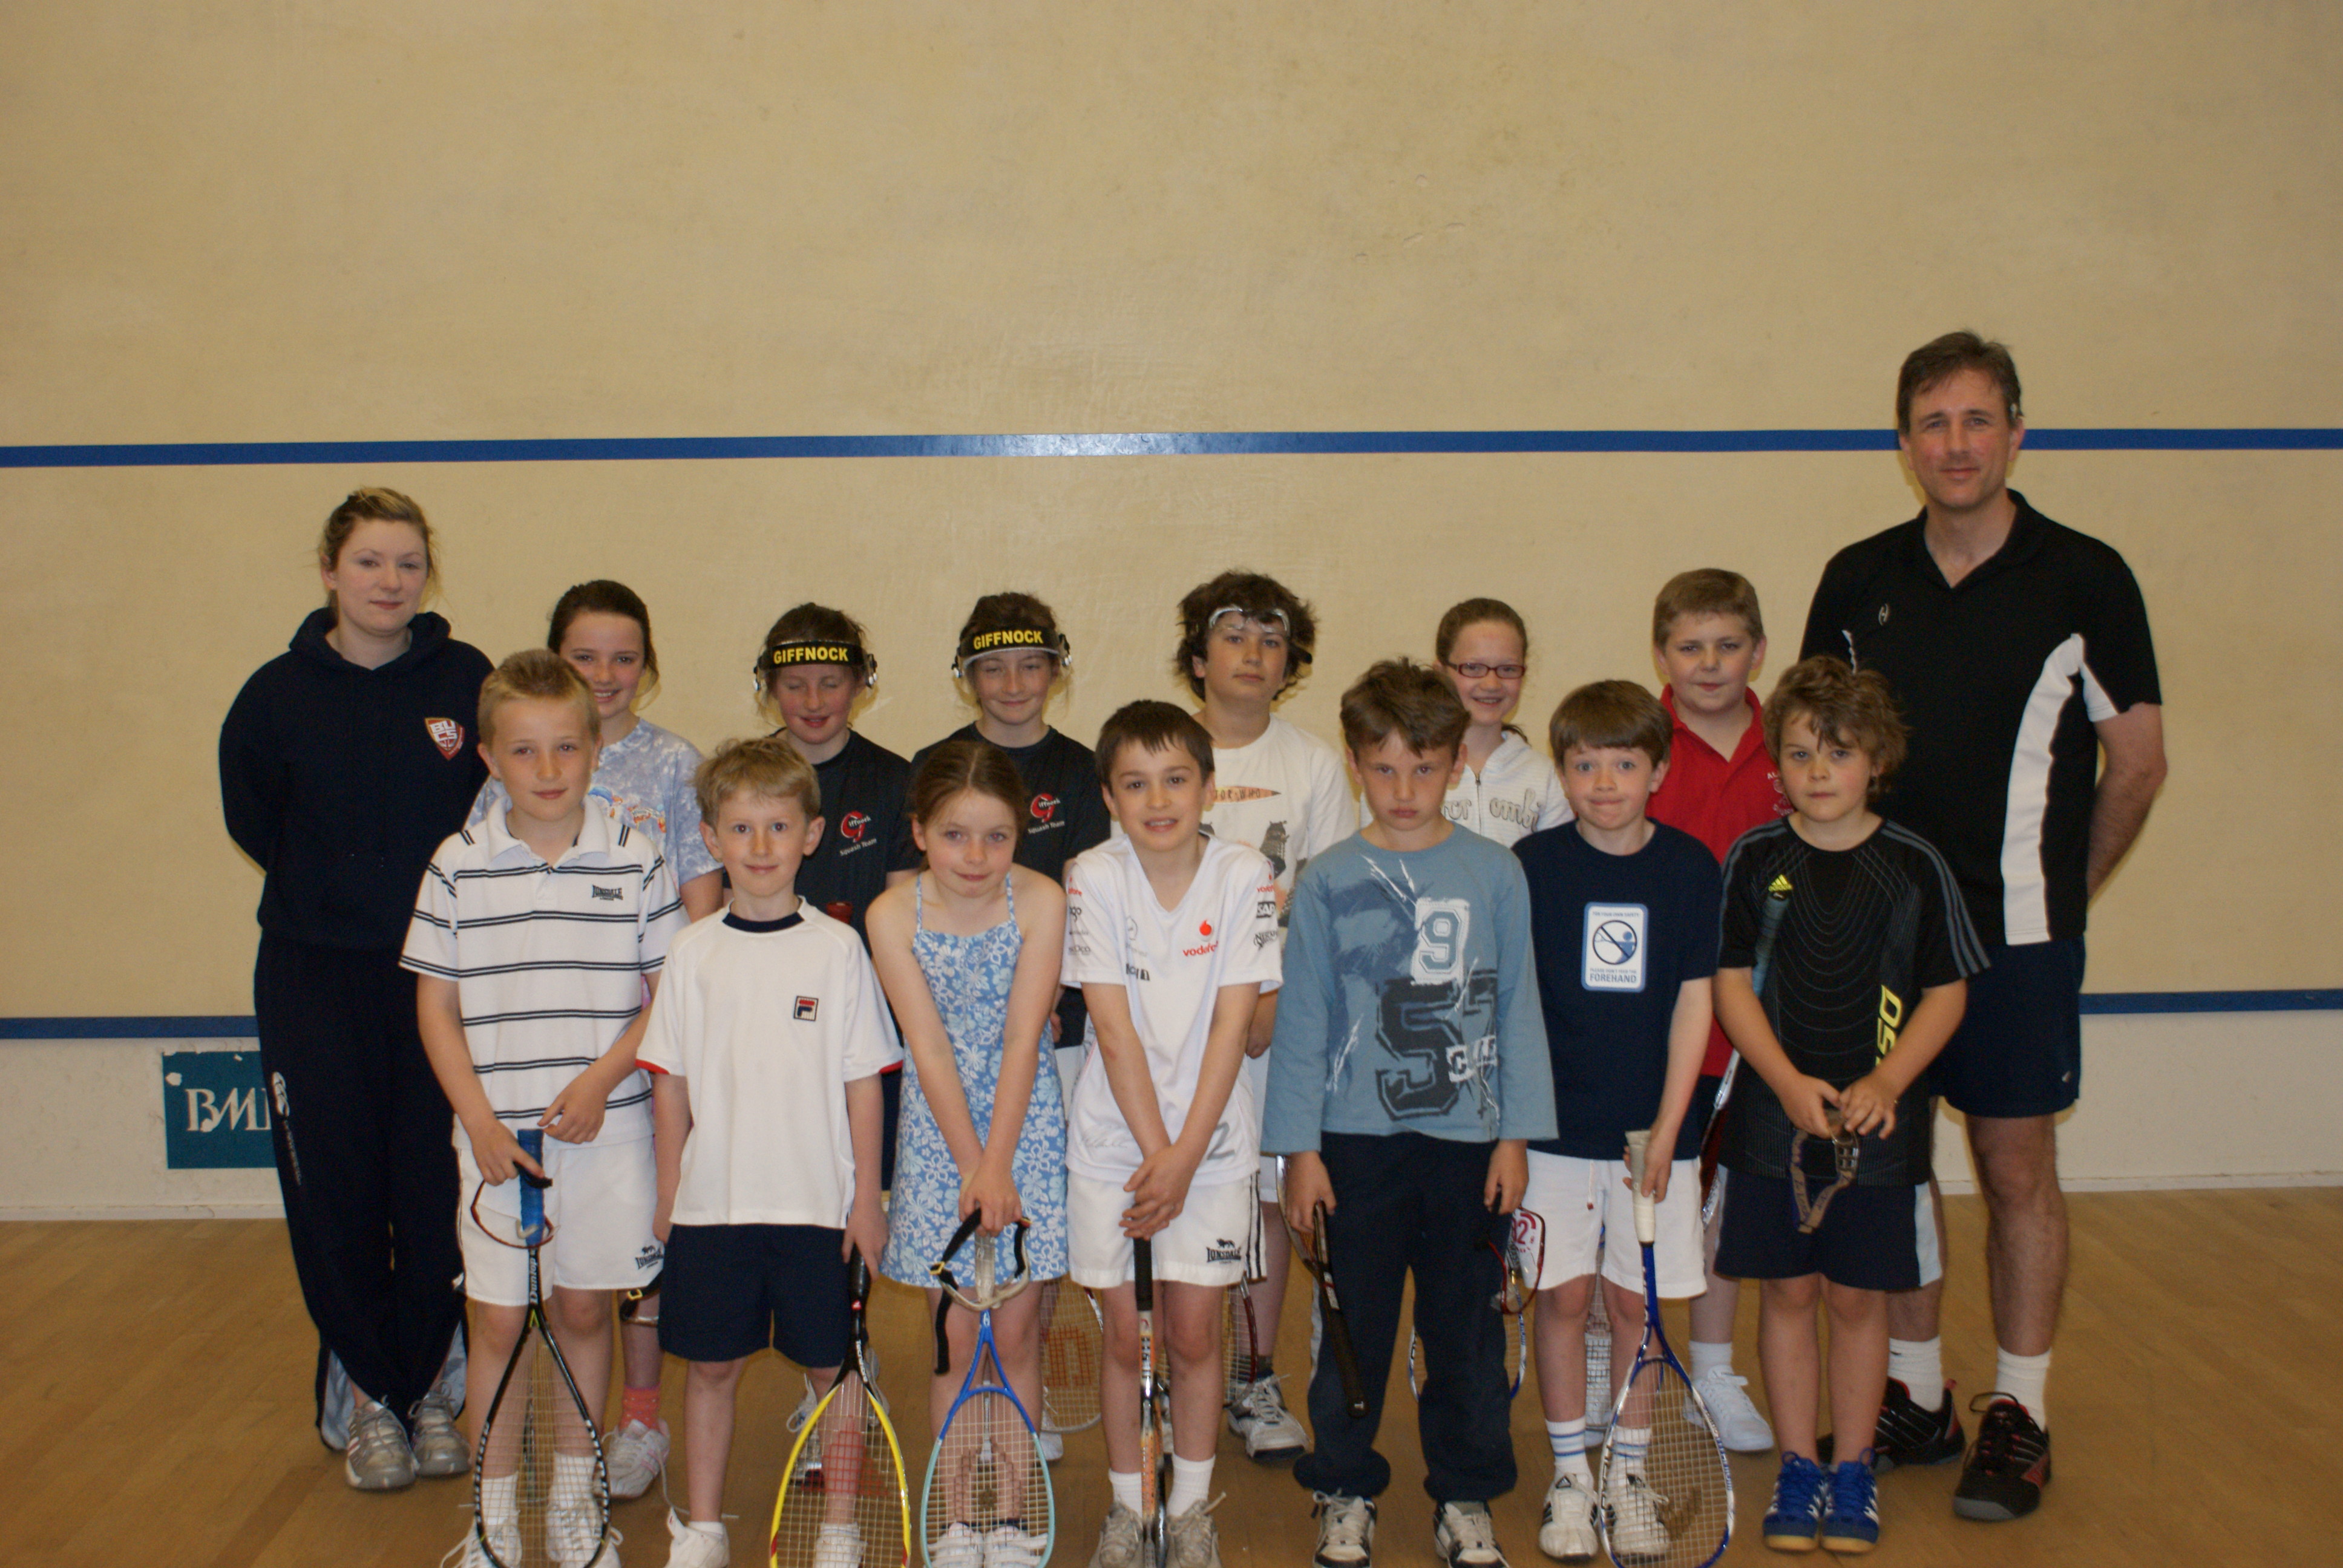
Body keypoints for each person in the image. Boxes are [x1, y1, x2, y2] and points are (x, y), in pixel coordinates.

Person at [1800, 332, 2166, 1520]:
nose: (1954, 444)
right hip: (1880, 944)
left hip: (2018, 941)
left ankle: (2019, 1408)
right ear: (1902, 442)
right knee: (1893, 1166)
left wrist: (2060, 893)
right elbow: (1813, 753)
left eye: (1975, 420)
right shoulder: (1857, 579)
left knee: (2015, 1168)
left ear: (2015, 431)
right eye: (1931, 422)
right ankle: (1916, 1392)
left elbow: (2137, 762)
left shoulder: (2085, 578)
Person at [218, 486, 490, 1491]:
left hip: (439, 978)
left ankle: (429, 1389)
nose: (390, 580)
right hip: (313, 976)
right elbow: (255, 819)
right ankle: (368, 1393)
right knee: (335, 1188)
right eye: (370, 561)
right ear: (331, 571)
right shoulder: (273, 695)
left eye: (409, 563)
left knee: (433, 1185)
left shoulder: (466, 681)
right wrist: (336, 899)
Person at [1265, 660, 1556, 1568]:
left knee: (1464, 1333)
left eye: (1423, 769)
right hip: (1354, 1145)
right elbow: (1304, 1020)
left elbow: (1518, 1008)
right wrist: (1299, 1152)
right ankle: (1343, 1487)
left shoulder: (1496, 872)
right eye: (1384, 768)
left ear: (1455, 765)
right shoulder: (1327, 880)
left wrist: (1513, 1137)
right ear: (1355, 763)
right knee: (1352, 1330)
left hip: (1469, 1144)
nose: (1403, 789)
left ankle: (1465, 1494)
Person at [405, 650, 685, 1568]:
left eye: (567, 746)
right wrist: (479, 1121)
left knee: (582, 1315)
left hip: (610, 1133)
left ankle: (574, 1507)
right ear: (490, 759)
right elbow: (435, 1008)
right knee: (496, 1323)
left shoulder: (636, 856)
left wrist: (603, 1080)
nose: (550, 768)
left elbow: (667, 998)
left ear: (596, 749)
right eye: (524, 751)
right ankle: (492, 1526)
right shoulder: (457, 865)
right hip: (494, 1143)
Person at [1709, 658, 1985, 1554]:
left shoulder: (1914, 866)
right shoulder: (1756, 859)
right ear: (1776, 765)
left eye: (1838, 752)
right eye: (1798, 754)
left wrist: (1889, 1081)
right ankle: (1799, 1468)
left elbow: (1946, 991)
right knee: (1787, 1293)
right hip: (1771, 1121)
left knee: (1860, 1303)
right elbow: (1729, 985)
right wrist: (1786, 1084)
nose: (1818, 770)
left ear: (1877, 760)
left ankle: (1854, 1470)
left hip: (1878, 1128)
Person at [467, 580, 723, 1500]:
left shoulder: (675, 769)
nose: (606, 674)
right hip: (515, 1095)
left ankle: (637, 1422)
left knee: (624, 1270)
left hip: (639, 1066)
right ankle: (512, 1477)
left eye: (624, 658)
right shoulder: (479, 826)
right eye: (585, 657)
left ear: (647, 667)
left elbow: (693, 931)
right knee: (526, 1304)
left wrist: (647, 1061)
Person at [639, 737, 900, 1568]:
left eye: (779, 827)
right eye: (741, 828)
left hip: (818, 1211)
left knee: (835, 1373)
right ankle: (705, 1528)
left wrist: (867, 1201)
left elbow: (865, 1084)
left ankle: (839, 1529)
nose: (760, 847)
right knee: (710, 1370)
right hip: (712, 1209)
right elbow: (670, 1084)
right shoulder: (691, 951)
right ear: (709, 838)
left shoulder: (838, 948)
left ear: (811, 836)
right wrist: (670, 1190)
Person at [1061, 702, 1282, 1568]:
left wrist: (1185, 1159)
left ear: (1209, 787)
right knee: (1126, 1340)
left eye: (1176, 779)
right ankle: (1129, 1511)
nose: (1158, 800)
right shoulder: (1093, 874)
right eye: (1135, 783)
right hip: (1117, 1149)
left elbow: (1234, 1026)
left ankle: (1189, 1512)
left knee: (1193, 1336)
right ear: (1109, 798)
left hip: (1211, 1149)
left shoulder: (1244, 874)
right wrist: (1158, 1158)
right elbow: (1112, 1031)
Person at [1512, 681, 1719, 1566]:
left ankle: (1627, 1476)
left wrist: (1669, 1129)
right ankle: (1570, 1474)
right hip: (1552, 1137)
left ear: (1659, 772)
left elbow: (1694, 1005)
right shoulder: (1530, 865)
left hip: (1652, 1141)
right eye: (1585, 764)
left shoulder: (1690, 869)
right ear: (1561, 772)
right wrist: (1514, 1127)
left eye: (1624, 764)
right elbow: (1514, 1006)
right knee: (1562, 1299)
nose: (1603, 783)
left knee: (1634, 1306)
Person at [869, 739, 1071, 1568]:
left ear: (1020, 834)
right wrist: (969, 1164)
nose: (976, 857)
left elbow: (1024, 1037)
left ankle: (1014, 1516)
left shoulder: (1043, 901)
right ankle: (956, 1520)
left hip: (1027, 1130)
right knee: (954, 1338)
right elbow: (927, 1046)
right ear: (919, 832)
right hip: (937, 1138)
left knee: (1016, 1337)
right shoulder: (891, 915)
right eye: (955, 835)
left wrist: (999, 1163)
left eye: (997, 837)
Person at [1175, 569, 1352, 1464]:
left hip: (1279, 1025)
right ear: (1197, 658)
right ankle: (1177, 1377)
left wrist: (1276, 997)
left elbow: (1328, 902)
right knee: (1180, 1192)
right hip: (1175, 1024)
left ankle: (1252, 1377)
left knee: (1272, 1205)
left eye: (1272, 640)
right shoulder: (1161, 746)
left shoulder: (1314, 764)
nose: (1252, 653)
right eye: (1233, 636)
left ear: (1291, 662)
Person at [755, 603, 922, 1445]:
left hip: (862, 1040)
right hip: (769, 1043)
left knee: (858, 1202)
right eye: (795, 684)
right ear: (768, 688)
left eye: (831, 681)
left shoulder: (895, 781)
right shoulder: (745, 774)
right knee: (794, 1206)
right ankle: (827, 1366)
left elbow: (902, 921)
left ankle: (848, 1358)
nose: (814, 700)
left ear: (861, 684)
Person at [1643, 567, 1791, 1454]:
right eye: (1690, 647)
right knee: (1637, 1193)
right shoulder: (1637, 741)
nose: (1709, 663)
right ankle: (1612, 1354)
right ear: (1661, 655)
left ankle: (1713, 1370)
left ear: (1758, 652)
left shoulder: (1796, 743)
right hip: (1660, 1019)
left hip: (1767, 1023)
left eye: (1728, 646)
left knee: (1724, 1209)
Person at [913, 592, 1112, 1090]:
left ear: (1056, 669)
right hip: (952, 1018)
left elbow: (1080, 904)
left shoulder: (1083, 771)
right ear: (968, 676)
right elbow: (922, 901)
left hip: (1057, 1017)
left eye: (1030, 667)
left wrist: (1040, 1005)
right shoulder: (933, 765)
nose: (1014, 685)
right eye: (994, 669)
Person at [1390, 598, 1570, 842]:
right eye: (1473, 668)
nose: (1492, 684)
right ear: (1440, 672)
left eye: (1508, 669)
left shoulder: (1545, 778)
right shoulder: (1400, 771)